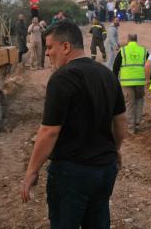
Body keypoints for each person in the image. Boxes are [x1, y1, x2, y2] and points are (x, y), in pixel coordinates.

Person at [20, 21, 127, 228]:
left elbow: (49, 131)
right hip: (104, 171)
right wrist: (114, 150)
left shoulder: (62, 78)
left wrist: (32, 170)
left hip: (71, 174)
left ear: (66, 47)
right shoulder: (107, 75)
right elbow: (121, 123)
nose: (48, 53)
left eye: (50, 47)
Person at [113, 33, 149, 133]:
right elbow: (150, 65)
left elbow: (115, 67)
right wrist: (149, 79)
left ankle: (131, 128)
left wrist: (115, 80)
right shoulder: (143, 50)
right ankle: (137, 123)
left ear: (128, 40)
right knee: (139, 100)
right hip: (140, 81)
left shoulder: (123, 51)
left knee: (130, 104)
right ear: (136, 40)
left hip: (126, 82)